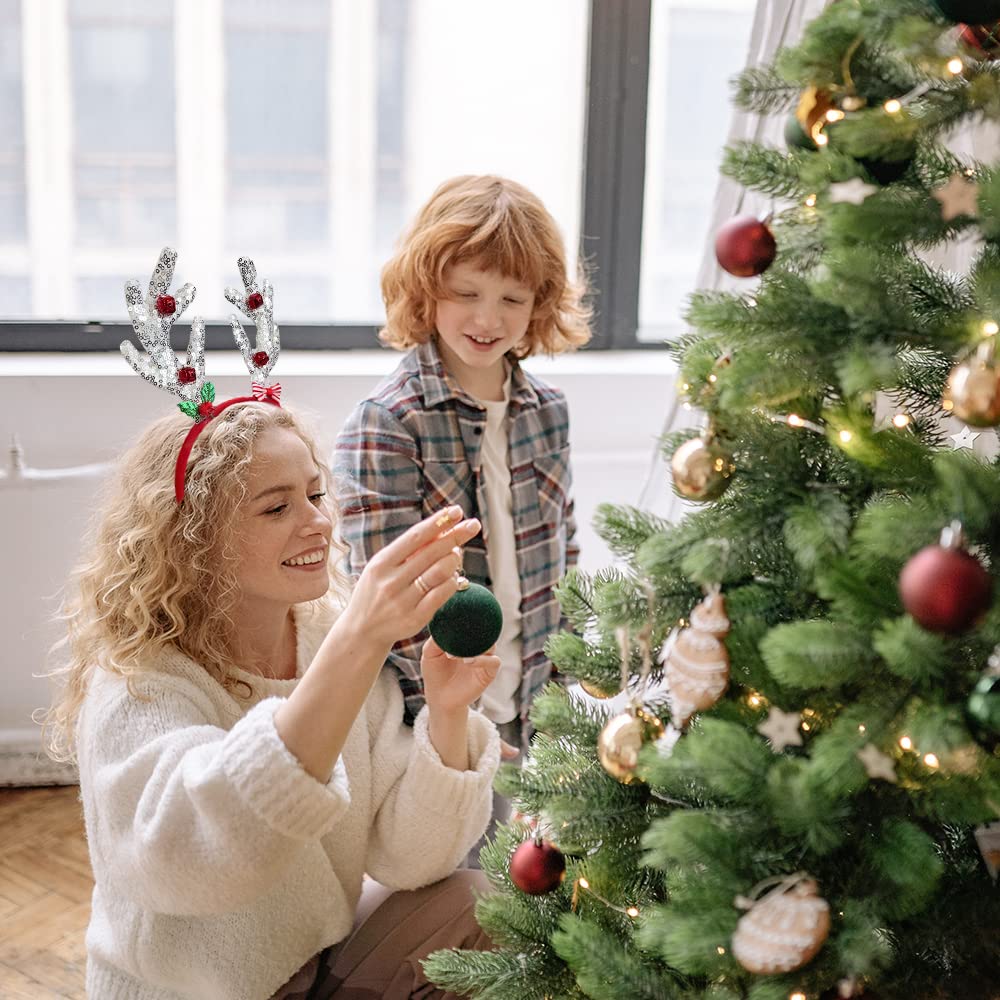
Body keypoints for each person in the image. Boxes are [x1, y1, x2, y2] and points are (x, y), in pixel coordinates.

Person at [42, 253, 502, 1000]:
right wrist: (362, 638)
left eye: (316, 494)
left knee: (477, 903)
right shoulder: (140, 679)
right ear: (194, 537)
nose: (318, 522)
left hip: (314, 967)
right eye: (276, 506)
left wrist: (448, 715)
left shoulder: (322, 631)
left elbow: (409, 858)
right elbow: (201, 859)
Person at [334, 176, 591, 793]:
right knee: (451, 878)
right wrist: (452, 721)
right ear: (427, 292)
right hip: (435, 725)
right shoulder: (389, 422)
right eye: (466, 292)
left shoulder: (546, 411)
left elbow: (564, 556)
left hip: (532, 711)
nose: (487, 318)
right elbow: (383, 604)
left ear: (540, 303)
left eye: (512, 298)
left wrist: (564, 690)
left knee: (526, 880)